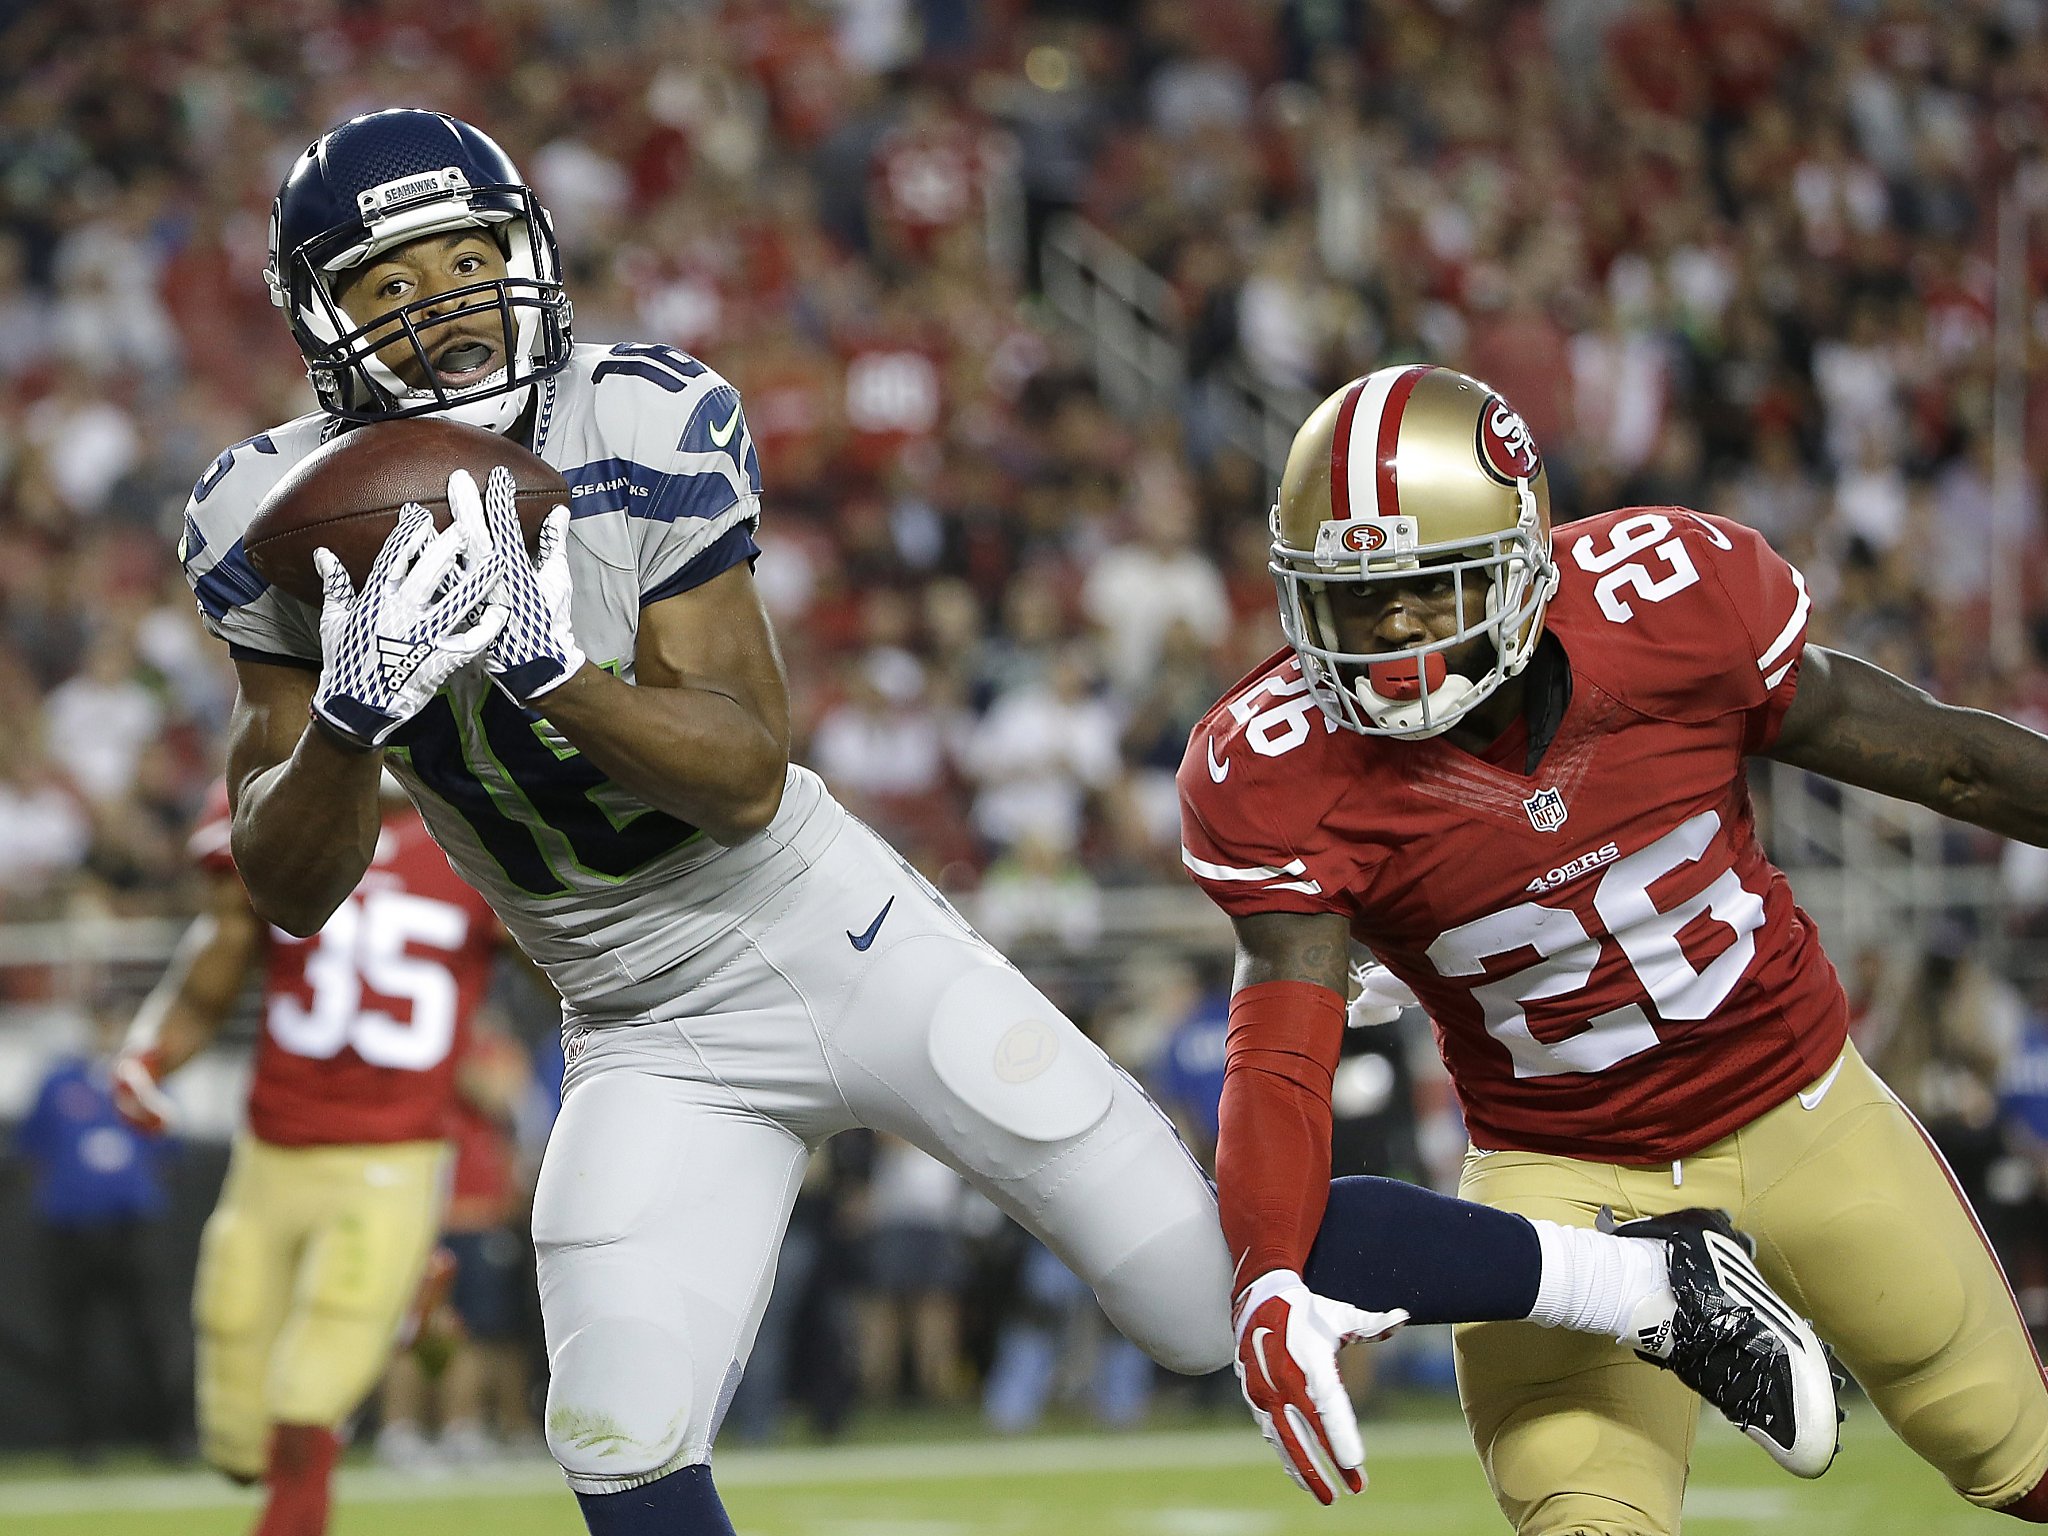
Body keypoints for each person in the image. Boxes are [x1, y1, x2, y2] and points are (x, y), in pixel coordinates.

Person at [179, 111, 1828, 1534]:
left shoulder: (643, 416)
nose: (445, 308)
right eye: (389, 285)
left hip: (819, 930)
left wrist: (548, 671)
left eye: (466, 259)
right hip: (633, 1020)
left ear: (526, 251)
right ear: (320, 322)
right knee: (614, 1417)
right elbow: (291, 878)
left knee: (1196, 1290)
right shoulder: (265, 520)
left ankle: (1649, 1280)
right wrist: (346, 716)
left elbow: (743, 768)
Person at [1178, 362, 2048, 1531]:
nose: (1385, 630)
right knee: (1586, 1521)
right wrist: (1267, 1285)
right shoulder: (1279, 767)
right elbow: (1276, 1057)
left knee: (2013, 1452)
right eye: (1350, 598)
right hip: (1560, 1175)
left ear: (1519, 559)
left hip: (1799, 1108)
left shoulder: (1671, 600)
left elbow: (1946, 758)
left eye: (1426, 588)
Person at [112, 778, 506, 1536]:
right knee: (237, 1436)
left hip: (394, 1151)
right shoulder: (280, 803)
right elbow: (217, 955)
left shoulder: (477, 823)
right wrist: (150, 1056)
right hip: (273, 1148)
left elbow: (564, 964)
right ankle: (413, 1314)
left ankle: (393, 1318)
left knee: (309, 1395)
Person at [14, 1007, 182, 1463]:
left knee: (149, 1332)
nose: (108, 1030)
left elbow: (167, 1147)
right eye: (101, 1021)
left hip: (131, 1222)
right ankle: (83, 1441)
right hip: (71, 1224)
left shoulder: (143, 1080)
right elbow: (34, 1149)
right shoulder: (59, 1082)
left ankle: (168, 1436)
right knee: (75, 1336)